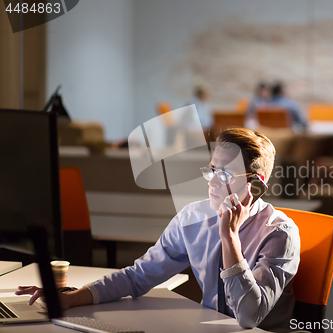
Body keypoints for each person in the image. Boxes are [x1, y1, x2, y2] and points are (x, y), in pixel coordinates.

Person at [16, 128, 301, 331]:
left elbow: (249, 317)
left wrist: (229, 238)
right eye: (211, 169)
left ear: (256, 184)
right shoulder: (194, 218)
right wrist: (72, 297)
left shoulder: (280, 234)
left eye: (224, 174)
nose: (212, 182)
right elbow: (140, 276)